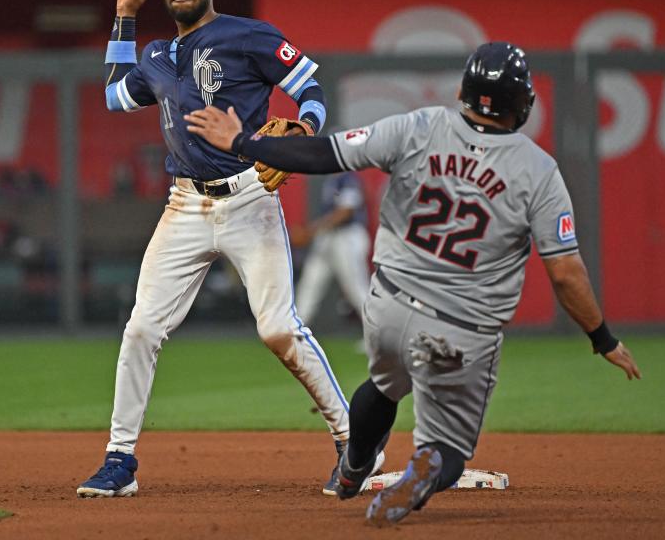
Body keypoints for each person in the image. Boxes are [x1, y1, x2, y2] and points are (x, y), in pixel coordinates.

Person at [185, 41, 642, 526]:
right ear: (522, 103)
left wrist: (243, 143)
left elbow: (325, 154)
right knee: (448, 451)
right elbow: (566, 273)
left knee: (383, 386)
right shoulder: (539, 171)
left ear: (465, 90)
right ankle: (427, 466)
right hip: (463, 327)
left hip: (389, 307)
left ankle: (352, 468)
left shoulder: (419, 126)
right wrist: (601, 338)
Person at [77, 0, 381, 498]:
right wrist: (123, 16)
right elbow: (116, 96)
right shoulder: (156, 56)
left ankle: (354, 443)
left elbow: (310, 87)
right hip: (184, 205)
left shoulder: (248, 35)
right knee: (142, 327)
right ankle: (120, 460)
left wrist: (306, 129)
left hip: (248, 199)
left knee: (278, 329)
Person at [293, 172, 371, 326]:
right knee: (310, 283)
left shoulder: (348, 178)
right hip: (328, 236)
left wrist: (310, 231)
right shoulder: (332, 178)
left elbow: (345, 212)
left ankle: (378, 334)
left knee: (356, 289)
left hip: (347, 236)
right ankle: (295, 331)